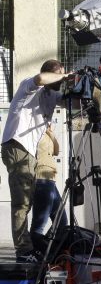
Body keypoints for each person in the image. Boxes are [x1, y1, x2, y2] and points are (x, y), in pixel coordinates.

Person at [1, 59, 71, 263]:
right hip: (16, 146)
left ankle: (33, 247)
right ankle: (23, 251)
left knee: (28, 202)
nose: (61, 78)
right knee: (21, 204)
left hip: (29, 153)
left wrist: (88, 87)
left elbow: (72, 102)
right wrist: (65, 75)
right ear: (51, 73)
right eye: (58, 74)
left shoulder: (52, 95)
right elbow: (41, 79)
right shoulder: (28, 87)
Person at [30, 124, 68, 254]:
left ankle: (45, 247)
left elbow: (56, 151)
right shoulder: (34, 131)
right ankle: (37, 250)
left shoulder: (47, 133)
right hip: (41, 177)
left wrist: (50, 132)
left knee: (62, 222)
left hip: (51, 178)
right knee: (39, 223)